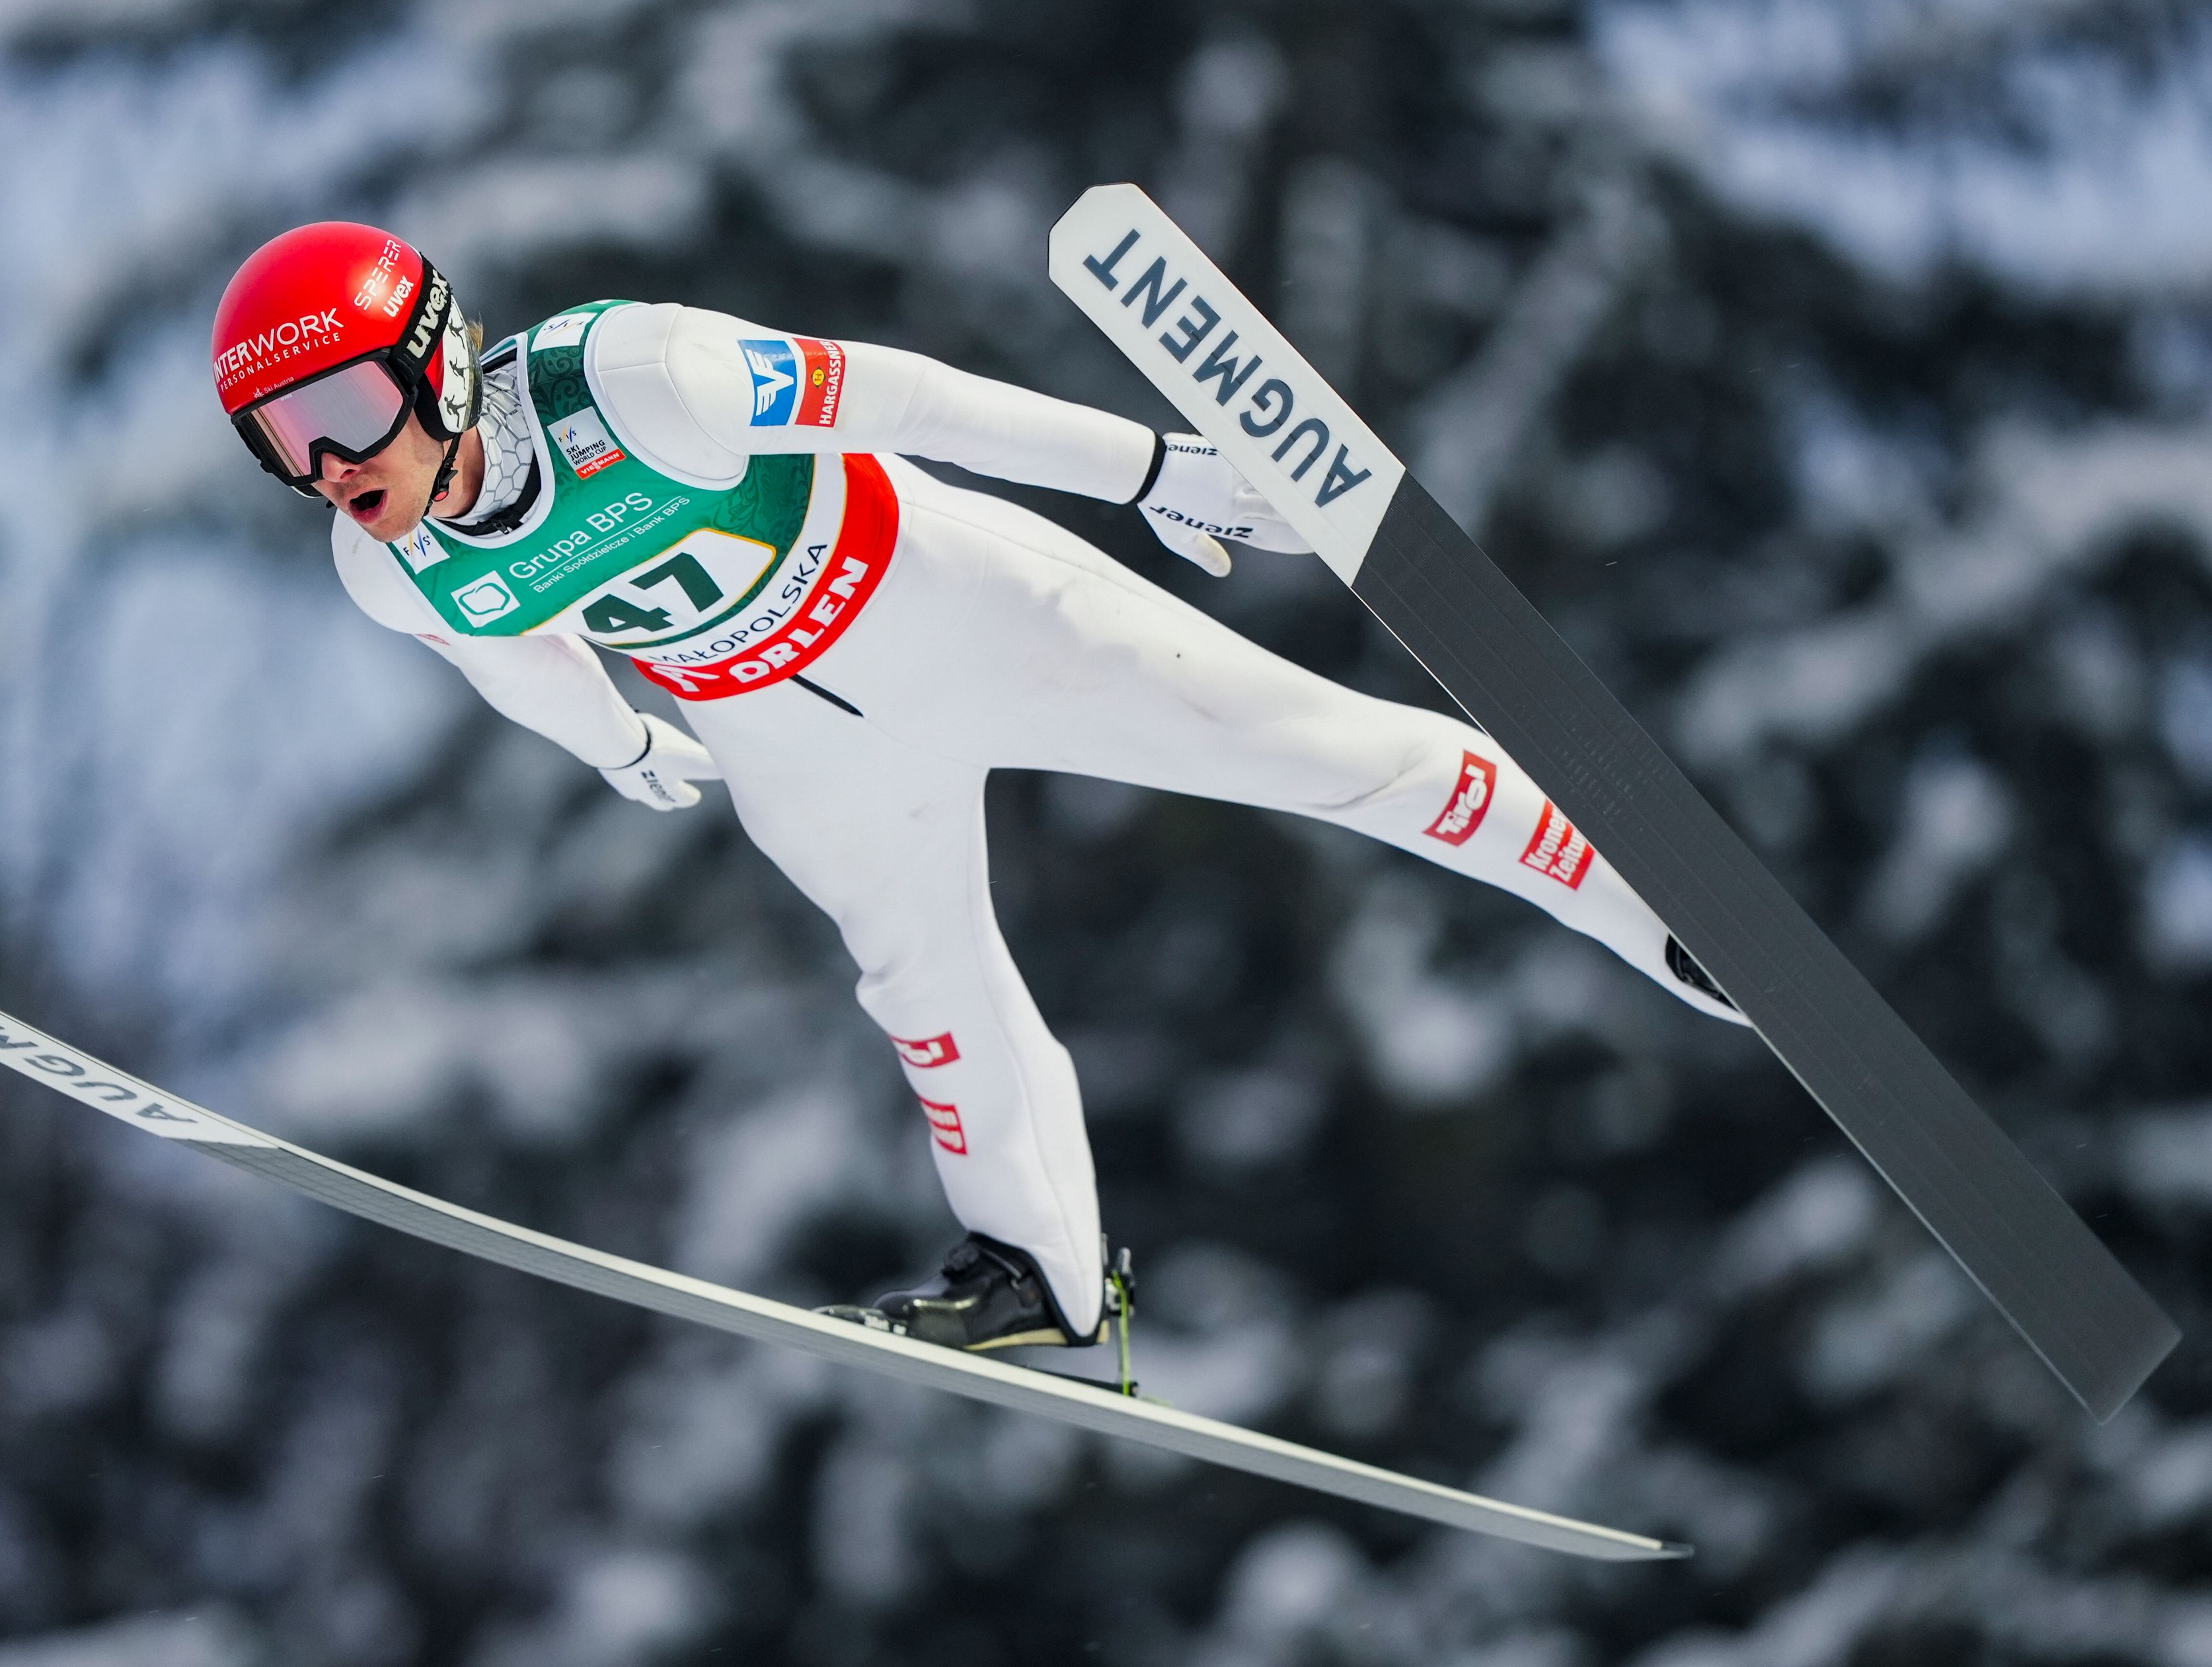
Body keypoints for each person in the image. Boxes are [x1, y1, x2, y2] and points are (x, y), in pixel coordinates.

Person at [211, 222, 1743, 1354]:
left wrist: (1146, 470)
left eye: (340, 415)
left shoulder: (629, 375)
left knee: (1313, 753)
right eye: (279, 444)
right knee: (922, 984)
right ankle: (1043, 1276)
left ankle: (1646, 901)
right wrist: (618, 747)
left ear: (439, 359)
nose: (327, 466)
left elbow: (907, 400)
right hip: (786, 735)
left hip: (943, 601)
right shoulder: (386, 567)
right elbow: (511, 652)